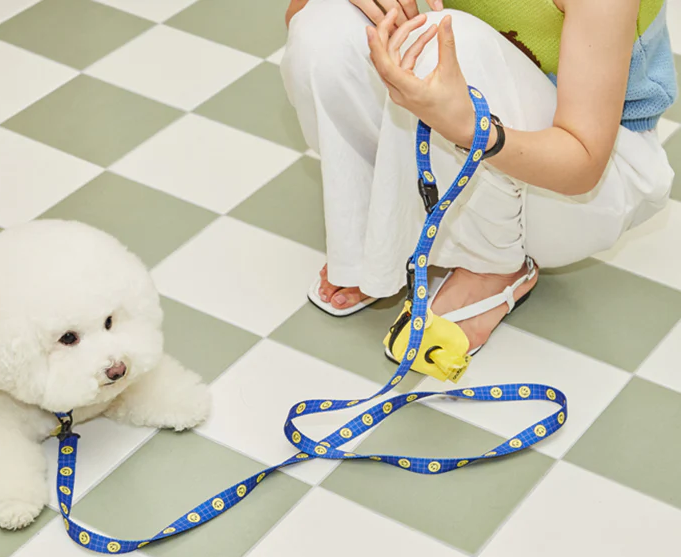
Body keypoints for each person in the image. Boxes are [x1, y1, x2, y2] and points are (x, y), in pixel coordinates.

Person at [281, 0, 676, 355]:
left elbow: (584, 165)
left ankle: (491, 263)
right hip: (478, 125)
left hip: (591, 185)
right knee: (325, 26)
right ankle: (381, 238)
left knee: (450, 40)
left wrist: (471, 128)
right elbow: (297, 20)